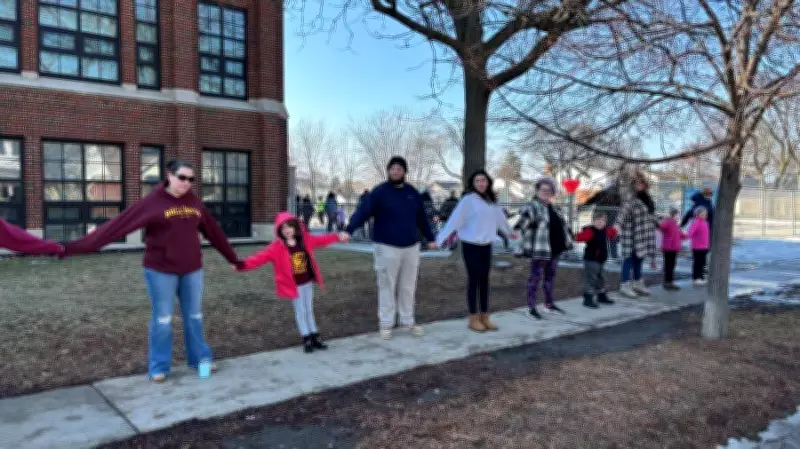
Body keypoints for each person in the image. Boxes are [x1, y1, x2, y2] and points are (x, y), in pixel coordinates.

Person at [63, 160, 242, 383]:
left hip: (192, 270)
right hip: (161, 270)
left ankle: (200, 359)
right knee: (163, 318)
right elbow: (117, 226)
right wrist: (76, 247)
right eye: (182, 177)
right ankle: (159, 367)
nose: (186, 183)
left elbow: (214, 233)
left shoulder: (195, 203)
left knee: (194, 316)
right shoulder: (152, 202)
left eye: (191, 179)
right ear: (169, 175)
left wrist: (233, 259)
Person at [345, 156, 437, 340]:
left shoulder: (412, 193)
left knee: (408, 286)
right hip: (386, 247)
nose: (396, 171)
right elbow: (363, 212)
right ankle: (386, 323)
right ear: (388, 171)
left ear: (404, 172)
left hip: (411, 247)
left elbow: (422, 218)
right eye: (393, 168)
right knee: (387, 285)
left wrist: (430, 238)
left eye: (399, 169)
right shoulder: (379, 192)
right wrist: (349, 229)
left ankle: (407, 320)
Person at [236, 213, 349, 353]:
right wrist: (241, 265)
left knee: (309, 309)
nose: (287, 230)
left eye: (289, 226)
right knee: (300, 311)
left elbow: (322, 240)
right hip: (294, 286)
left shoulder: (305, 240)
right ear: (279, 230)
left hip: (307, 282)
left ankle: (315, 336)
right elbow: (259, 258)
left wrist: (337, 236)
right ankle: (306, 338)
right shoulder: (276, 247)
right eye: (283, 227)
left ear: (295, 227)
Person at [435, 170, 515, 333]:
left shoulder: (491, 201)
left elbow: (500, 218)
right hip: (471, 245)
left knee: (485, 280)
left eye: (483, 180)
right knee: (474, 280)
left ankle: (485, 317)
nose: (481, 183)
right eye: (477, 181)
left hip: (486, 245)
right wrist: (441, 238)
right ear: (473, 183)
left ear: (488, 182)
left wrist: (509, 232)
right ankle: (473, 318)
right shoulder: (468, 200)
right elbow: (455, 220)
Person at [515, 178, 574, 319]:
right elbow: (522, 224)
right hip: (540, 251)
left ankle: (548, 304)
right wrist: (519, 232)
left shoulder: (555, 208)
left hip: (555, 249)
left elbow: (564, 226)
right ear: (537, 191)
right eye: (543, 189)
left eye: (549, 190)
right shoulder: (533, 207)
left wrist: (569, 239)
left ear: (552, 192)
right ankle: (531, 308)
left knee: (550, 278)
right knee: (535, 278)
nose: (546, 192)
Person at [614, 173, 657, 298]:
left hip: (644, 234)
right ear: (633, 185)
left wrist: (660, 223)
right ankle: (625, 285)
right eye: (637, 183)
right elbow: (623, 212)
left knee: (639, 259)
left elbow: (650, 215)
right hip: (631, 234)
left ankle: (638, 283)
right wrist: (617, 225)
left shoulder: (647, 199)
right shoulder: (630, 198)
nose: (640, 185)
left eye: (642, 183)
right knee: (629, 259)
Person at [574, 211, 617, 308]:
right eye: (597, 220)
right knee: (591, 279)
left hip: (601, 259)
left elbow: (612, 233)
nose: (600, 222)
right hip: (591, 259)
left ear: (605, 222)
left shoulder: (605, 230)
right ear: (593, 221)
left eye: (602, 221)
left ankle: (601, 295)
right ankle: (588, 298)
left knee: (601, 278)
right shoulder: (590, 231)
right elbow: (579, 237)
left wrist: (616, 230)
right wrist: (576, 235)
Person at [580, 180, 622, 260]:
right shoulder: (617, 195)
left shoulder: (603, 193)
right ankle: (613, 255)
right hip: (609, 216)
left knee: (599, 235)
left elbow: (591, 200)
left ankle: (598, 254)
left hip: (600, 216)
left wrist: (583, 207)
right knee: (610, 235)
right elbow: (622, 205)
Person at [659, 208, 687, 290]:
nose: (678, 217)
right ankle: (668, 283)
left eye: (679, 215)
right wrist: (665, 219)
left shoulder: (675, 224)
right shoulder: (668, 222)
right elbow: (661, 227)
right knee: (669, 266)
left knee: (671, 265)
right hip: (669, 248)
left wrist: (686, 235)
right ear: (672, 215)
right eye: (677, 215)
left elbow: (681, 235)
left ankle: (669, 282)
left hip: (674, 248)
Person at [687, 206, 711, 286]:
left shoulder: (705, 222)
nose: (705, 215)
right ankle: (696, 278)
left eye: (706, 213)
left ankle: (701, 277)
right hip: (697, 247)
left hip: (704, 247)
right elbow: (690, 233)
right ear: (698, 214)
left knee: (702, 263)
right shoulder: (696, 222)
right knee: (697, 263)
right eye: (703, 213)